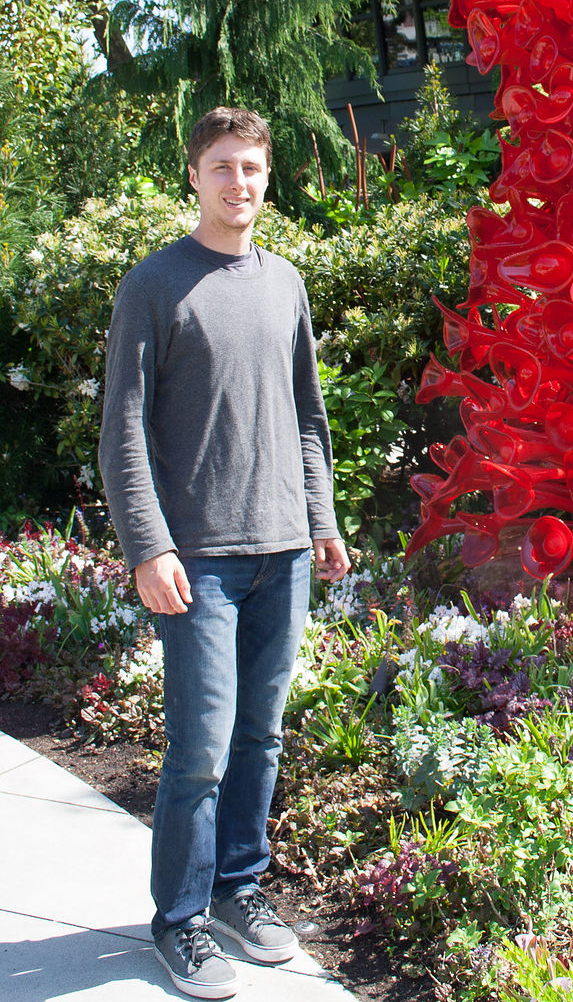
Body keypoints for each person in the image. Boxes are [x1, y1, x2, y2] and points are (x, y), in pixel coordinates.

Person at [98, 106, 349, 1000]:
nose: (238, 183)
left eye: (251, 168)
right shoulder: (154, 287)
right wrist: (147, 546)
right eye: (221, 167)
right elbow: (121, 434)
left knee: (261, 736)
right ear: (193, 176)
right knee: (200, 747)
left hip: (282, 551)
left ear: (266, 179)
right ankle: (181, 921)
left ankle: (242, 890)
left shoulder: (285, 283)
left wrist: (321, 518)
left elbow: (307, 417)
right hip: (196, 559)